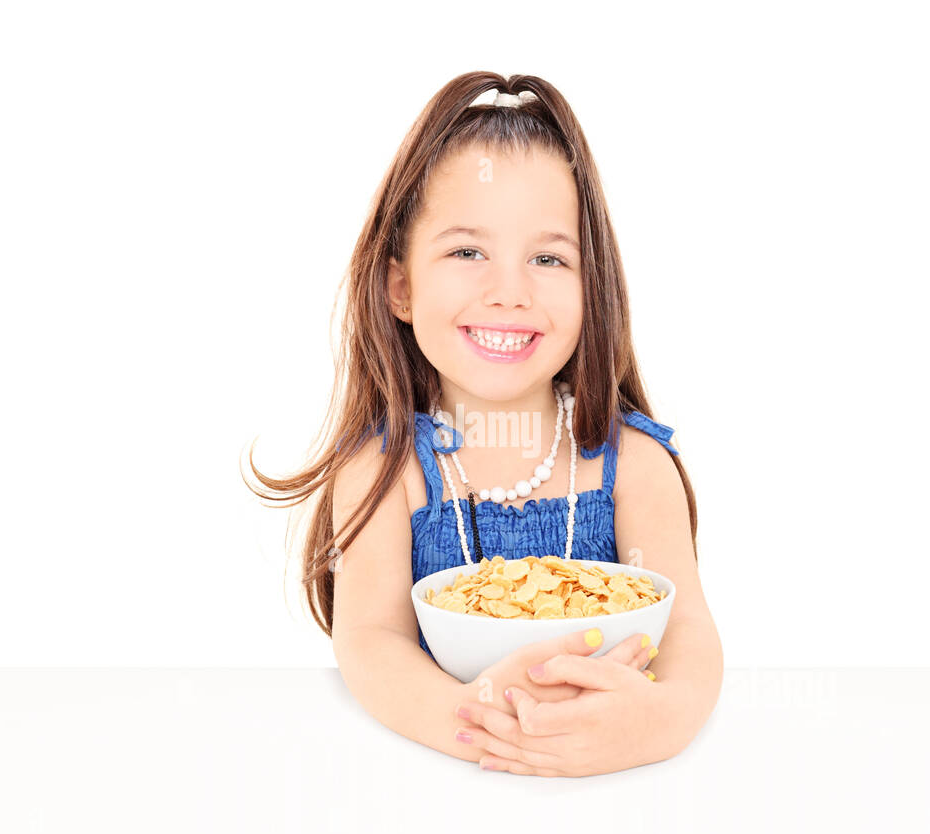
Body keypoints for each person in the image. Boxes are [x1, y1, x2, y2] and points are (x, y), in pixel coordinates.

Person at [244, 72, 723, 776]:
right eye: (468, 252)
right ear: (400, 286)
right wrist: (485, 729)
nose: (508, 292)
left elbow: (687, 636)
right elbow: (371, 644)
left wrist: (659, 722)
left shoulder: (633, 466)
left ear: (594, 288)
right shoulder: (387, 471)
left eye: (548, 258)